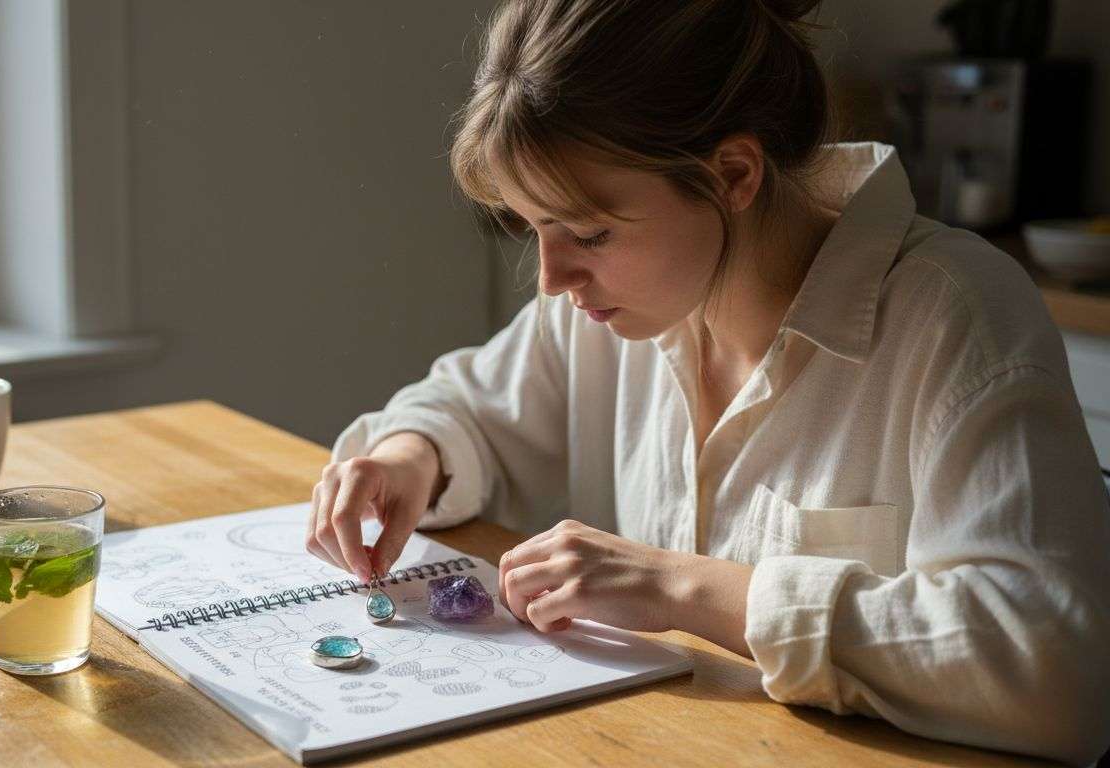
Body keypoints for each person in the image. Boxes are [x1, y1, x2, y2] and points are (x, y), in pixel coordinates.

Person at [303, 0, 1110, 762]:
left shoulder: (956, 314)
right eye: (534, 227)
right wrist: (411, 454)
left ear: (732, 175)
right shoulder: (618, 303)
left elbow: (1053, 669)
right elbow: (470, 408)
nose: (551, 277)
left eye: (587, 231)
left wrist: (684, 588)